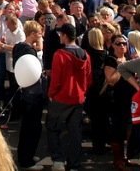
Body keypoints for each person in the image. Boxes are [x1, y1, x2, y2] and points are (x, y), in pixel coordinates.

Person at [45, 23, 91, 171]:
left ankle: (58, 160)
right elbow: (88, 78)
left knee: (53, 127)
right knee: (75, 131)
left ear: (65, 36)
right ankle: (74, 163)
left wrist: (51, 94)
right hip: (78, 97)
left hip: (61, 97)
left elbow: (56, 79)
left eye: (61, 34)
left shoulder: (59, 55)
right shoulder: (85, 54)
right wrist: (83, 92)